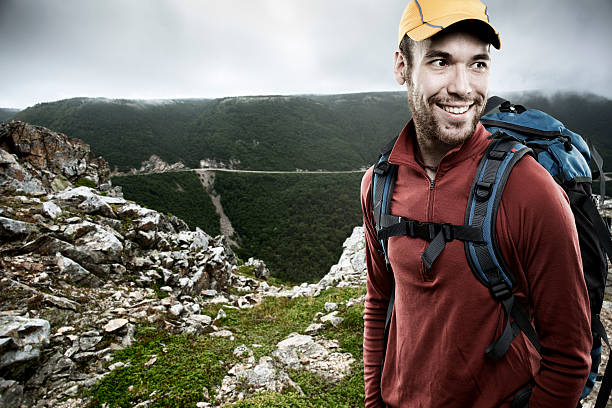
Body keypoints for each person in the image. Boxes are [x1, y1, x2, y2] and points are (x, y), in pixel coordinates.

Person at [360, 0, 592, 406]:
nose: (463, 87)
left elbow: (569, 358)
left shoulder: (529, 190)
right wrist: (374, 401)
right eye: (440, 62)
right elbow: (379, 302)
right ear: (401, 67)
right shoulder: (379, 185)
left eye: (478, 64)